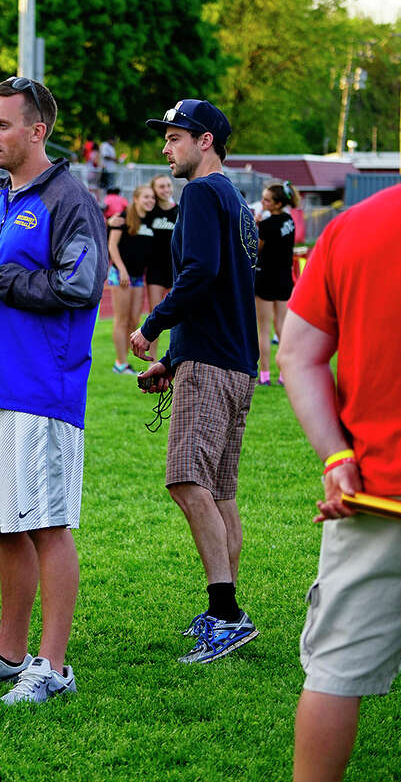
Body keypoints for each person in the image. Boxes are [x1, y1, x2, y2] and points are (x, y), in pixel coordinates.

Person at [278, 71, 401, 782]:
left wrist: (336, 458)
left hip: (365, 493)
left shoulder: (352, 225)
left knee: (332, 675)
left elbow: (297, 356)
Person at [0, 77, 107, 704]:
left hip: (41, 389)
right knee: (4, 527)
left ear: (37, 131)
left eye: (2, 125)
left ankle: (54, 665)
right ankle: (9, 654)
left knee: (45, 526)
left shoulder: (70, 199)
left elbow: (80, 287)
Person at [130, 98, 260, 664]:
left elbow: (199, 274)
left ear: (205, 140)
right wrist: (173, 361)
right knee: (220, 490)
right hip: (232, 361)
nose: (166, 147)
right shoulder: (234, 199)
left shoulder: (204, 193)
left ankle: (226, 616)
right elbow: (220, 291)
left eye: (176, 137)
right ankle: (226, 612)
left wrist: (153, 325)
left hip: (212, 365)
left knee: (187, 481)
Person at [254, 181, 299, 386]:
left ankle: (264, 375)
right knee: (281, 326)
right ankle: (284, 375)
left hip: (265, 278)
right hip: (284, 278)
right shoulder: (289, 220)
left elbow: (256, 250)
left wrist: (256, 226)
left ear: (277, 203)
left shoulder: (266, 224)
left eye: (266, 200)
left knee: (263, 329)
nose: (262, 202)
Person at [108, 184, 156, 374]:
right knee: (121, 319)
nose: (150, 201)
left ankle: (125, 361)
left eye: (152, 198)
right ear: (136, 199)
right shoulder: (123, 217)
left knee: (134, 320)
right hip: (121, 274)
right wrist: (122, 270)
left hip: (137, 276)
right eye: (146, 197)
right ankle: (120, 363)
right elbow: (112, 245)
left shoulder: (152, 218)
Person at [143, 174, 178, 358]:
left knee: (179, 317)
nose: (165, 189)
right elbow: (131, 221)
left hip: (175, 271)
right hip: (155, 271)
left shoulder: (180, 211)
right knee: (155, 315)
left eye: (167, 185)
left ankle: (175, 358)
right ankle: (153, 359)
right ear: (154, 190)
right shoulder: (150, 212)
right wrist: (112, 221)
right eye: (161, 187)